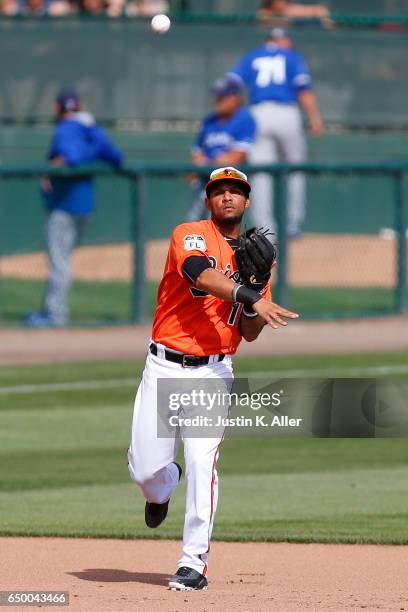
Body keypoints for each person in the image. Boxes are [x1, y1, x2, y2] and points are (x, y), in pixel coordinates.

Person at [127, 166, 298, 591]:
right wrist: (249, 292)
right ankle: (163, 487)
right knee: (146, 473)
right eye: (219, 191)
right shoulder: (190, 233)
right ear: (208, 199)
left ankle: (193, 564)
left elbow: (250, 332)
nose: (227, 197)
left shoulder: (257, 259)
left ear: (247, 200)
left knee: (204, 462)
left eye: (235, 191)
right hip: (164, 366)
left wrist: (257, 289)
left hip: (213, 373)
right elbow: (199, 274)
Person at [26, 89, 123, 327]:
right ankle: (53, 311)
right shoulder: (92, 129)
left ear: (58, 108)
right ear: (80, 106)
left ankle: (55, 314)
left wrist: (56, 165)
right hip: (83, 207)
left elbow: (71, 155)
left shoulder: (66, 127)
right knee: (62, 260)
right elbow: (115, 157)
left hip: (63, 204)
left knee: (59, 262)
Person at [228, 27, 324, 238]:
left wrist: (239, 114)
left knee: (261, 173)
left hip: (258, 113)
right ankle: (293, 224)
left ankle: (265, 231)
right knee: (295, 168)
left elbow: (231, 84)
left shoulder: (252, 56)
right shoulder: (291, 57)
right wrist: (315, 117)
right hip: (287, 114)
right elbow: (303, 90)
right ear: (284, 40)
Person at [187, 76, 256, 222]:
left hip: (232, 180)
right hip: (205, 180)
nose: (217, 101)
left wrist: (208, 164)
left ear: (234, 98)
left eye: (222, 97)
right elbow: (197, 153)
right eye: (217, 97)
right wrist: (199, 166)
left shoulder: (245, 118)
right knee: (193, 221)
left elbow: (237, 156)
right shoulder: (209, 121)